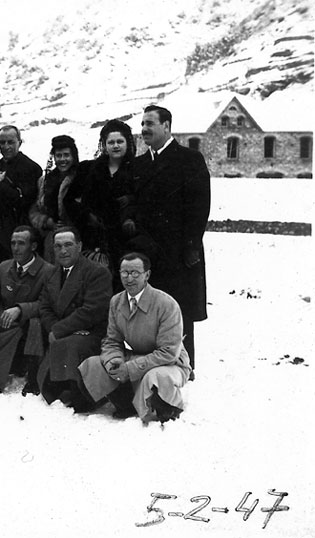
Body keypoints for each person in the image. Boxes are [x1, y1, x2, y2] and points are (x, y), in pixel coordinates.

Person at [129, 105, 210, 378]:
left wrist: (190, 246)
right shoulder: (139, 165)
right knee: (151, 309)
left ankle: (185, 366)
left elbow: (200, 206)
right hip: (147, 251)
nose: (144, 129)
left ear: (167, 126)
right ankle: (155, 364)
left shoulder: (190, 159)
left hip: (179, 252)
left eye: (150, 123)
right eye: (142, 124)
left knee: (179, 308)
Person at [76, 252, 191, 422]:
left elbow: (169, 352)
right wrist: (114, 362)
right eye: (125, 273)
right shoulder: (116, 302)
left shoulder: (166, 304)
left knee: (156, 378)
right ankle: (126, 405)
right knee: (94, 365)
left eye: (135, 273)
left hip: (169, 363)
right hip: (139, 358)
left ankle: (162, 408)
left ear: (147, 275)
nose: (129, 278)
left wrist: (129, 369)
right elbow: (112, 340)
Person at [37, 227, 112, 405]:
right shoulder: (51, 274)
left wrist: (59, 330)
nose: (63, 251)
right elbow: (44, 307)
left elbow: (92, 310)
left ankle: (80, 395)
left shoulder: (96, 272)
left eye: (68, 245)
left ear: (79, 246)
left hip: (91, 333)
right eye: (58, 246)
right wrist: (54, 328)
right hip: (61, 332)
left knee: (72, 344)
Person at [64, 120, 137, 282]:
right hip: (93, 237)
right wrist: (86, 216)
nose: (115, 146)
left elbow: (144, 200)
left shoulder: (137, 169)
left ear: (128, 143)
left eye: (120, 141)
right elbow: (69, 200)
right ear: (103, 145)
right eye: (111, 142)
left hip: (125, 239)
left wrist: (130, 211)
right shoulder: (89, 169)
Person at [0, 226, 56, 393]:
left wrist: (20, 310)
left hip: (33, 331)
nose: (16, 248)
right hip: (8, 328)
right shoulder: (3, 268)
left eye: (21, 243)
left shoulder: (48, 271)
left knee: (36, 324)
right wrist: (1, 319)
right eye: (13, 243)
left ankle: (34, 379)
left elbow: (48, 305)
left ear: (33, 246)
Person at [0, 126, 42, 273]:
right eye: (2, 142)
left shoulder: (32, 168)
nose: (6, 147)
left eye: (10, 142)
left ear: (19, 142)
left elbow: (24, 200)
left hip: (22, 228)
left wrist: (0, 185)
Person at [30, 135, 79, 263]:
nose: (63, 159)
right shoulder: (44, 181)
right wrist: (46, 222)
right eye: (59, 155)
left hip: (76, 237)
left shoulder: (81, 178)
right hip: (52, 239)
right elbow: (35, 210)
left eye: (66, 155)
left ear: (73, 156)